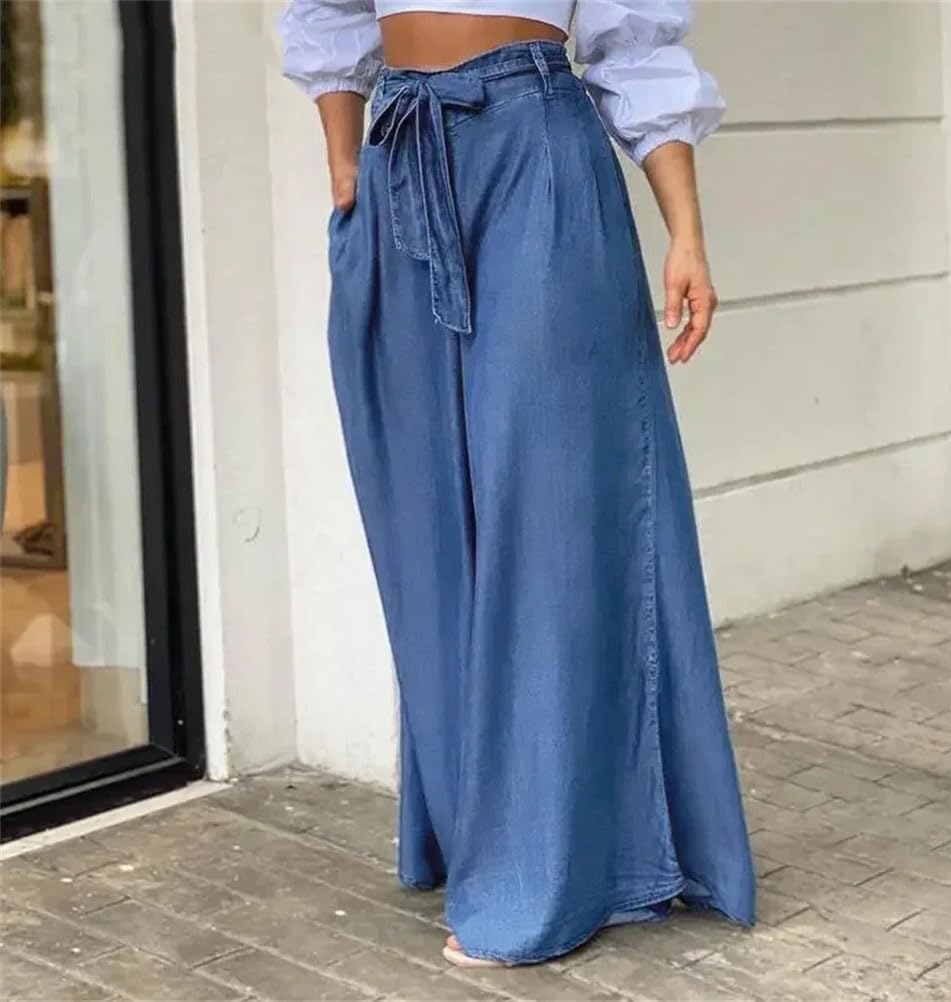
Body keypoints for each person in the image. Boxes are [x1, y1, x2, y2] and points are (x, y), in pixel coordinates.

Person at [278, 0, 756, 968]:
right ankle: (477, 828)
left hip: (538, 153)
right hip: (401, 152)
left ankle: (547, 874)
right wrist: (344, 160)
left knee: (551, 509)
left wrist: (687, 233)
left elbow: (636, 42)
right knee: (424, 509)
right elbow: (326, 11)